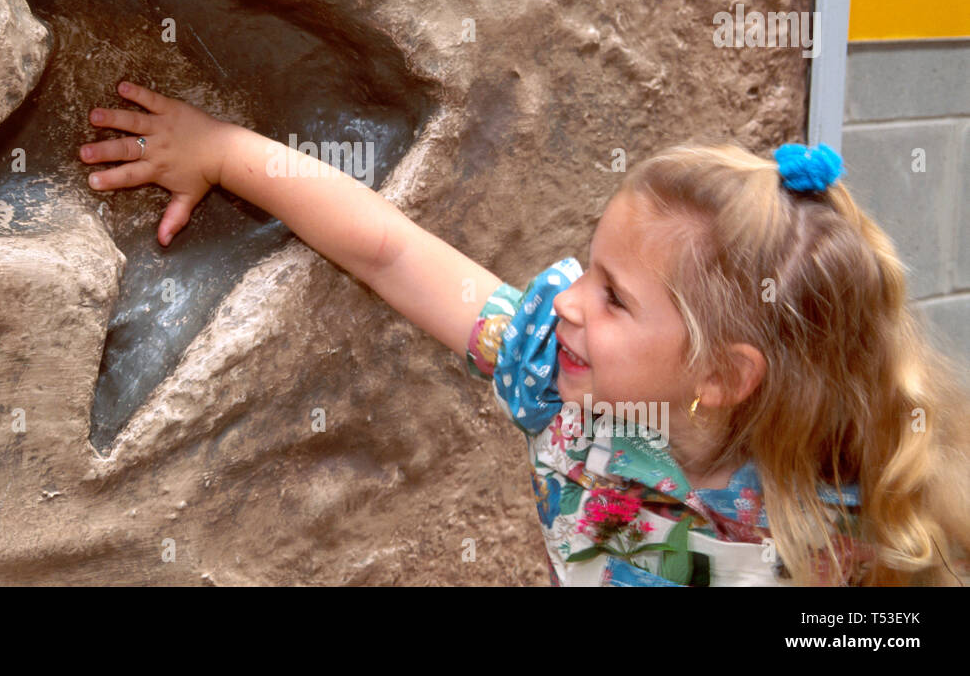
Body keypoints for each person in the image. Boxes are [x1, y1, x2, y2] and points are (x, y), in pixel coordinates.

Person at [80, 80, 970, 586]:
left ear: (724, 376)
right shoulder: (552, 371)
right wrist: (229, 150)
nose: (571, 300)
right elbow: (391, 252)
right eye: (589, 267)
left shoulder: (838, 539)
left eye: (615, 297)